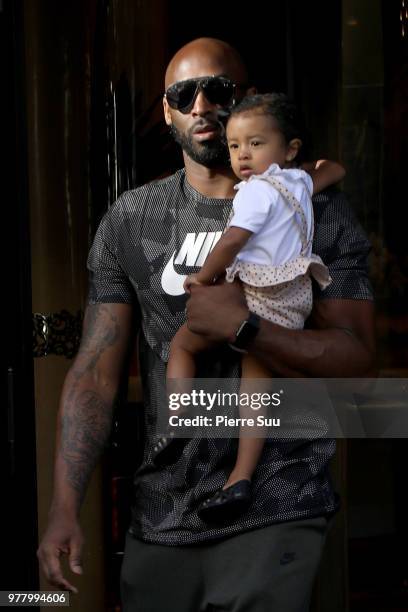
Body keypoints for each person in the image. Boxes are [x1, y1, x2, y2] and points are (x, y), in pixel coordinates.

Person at [37, 37, 375, 612]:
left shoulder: (312, 208)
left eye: (215, 90)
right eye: (182, 94)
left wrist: (246, 329)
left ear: (244, 97)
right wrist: (65, 507)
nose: (200, 105)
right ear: (168, 110)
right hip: (162, 518)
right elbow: (96, 374)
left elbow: (357, 358)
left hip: (276, 506)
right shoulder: (130, 220)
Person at [155, 92, 345, 523]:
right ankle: (240, 477)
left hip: (256, 290)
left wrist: (202, 278)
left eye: (255, 144)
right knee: (255, 388)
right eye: (236, 145)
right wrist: (311, 169)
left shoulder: (255, 192)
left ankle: (176, 418)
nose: (242, 155)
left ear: (289, 147)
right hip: (294, 297)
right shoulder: (297, 181)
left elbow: (233, 240)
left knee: (184, 343)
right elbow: (335, 169)